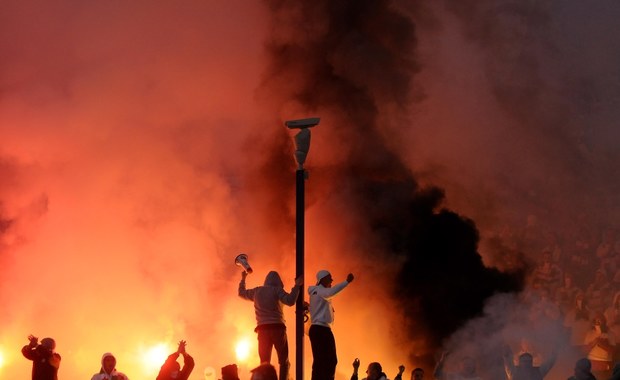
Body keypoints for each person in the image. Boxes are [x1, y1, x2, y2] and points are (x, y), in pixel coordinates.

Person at [239, 270, 303, 380]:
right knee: (283, 361)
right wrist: (297, 285)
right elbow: (290, 300)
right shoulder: (277, 290)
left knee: (264, 363)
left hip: (262, 330)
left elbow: (241, 293)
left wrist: (243, 278)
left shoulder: (256, 291)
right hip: (278, 328)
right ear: (278, 282)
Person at [308, 269, 354, 380]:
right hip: (322, 330)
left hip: (318, 329)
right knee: (329, 360)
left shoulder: (316, 292)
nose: (332, 280)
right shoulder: (321, 291)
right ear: (323, 279)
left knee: (321, 361)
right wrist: (346, 282)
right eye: (330, 278)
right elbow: (331, 292)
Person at [584, 313, 615, 379]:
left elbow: (612, 351)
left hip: (604, 365)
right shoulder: (590, 333)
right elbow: (584, 350)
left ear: (604, 322)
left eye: (600, 321)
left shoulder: (610, 334)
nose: (598, 323)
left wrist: (601, 343)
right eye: (596, 321)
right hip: (592, 364)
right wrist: (593, 343)